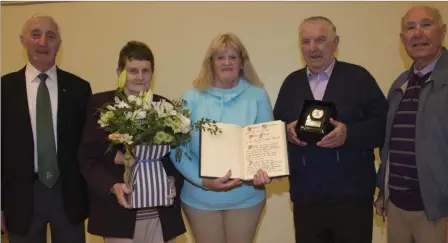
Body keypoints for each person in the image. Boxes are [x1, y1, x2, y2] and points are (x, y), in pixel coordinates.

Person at [273, 16, 388, 243]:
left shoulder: (359, 78)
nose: (313, 48)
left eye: (320, 40)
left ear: (336, 43)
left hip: (352, 199)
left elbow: (383, 126)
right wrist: (285, 132)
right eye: (306, 41)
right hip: (306, 198)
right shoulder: (291, 84)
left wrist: (349, 133)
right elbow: (274, 132)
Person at [374, 5, 448, 243]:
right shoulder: (399, 85)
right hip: (398, 210)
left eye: (426, 25)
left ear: (443, 32)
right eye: (410, 28)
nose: (417, 33)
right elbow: (391, 145)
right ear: (402, 39)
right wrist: (383, 190)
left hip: (443, 214)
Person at [169, 33, 273, 243]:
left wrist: (265, 169)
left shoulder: (258, 96)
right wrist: (203, 181)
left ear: (242, 62)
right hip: (199, 198)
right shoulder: (189, 99)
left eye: (233, 57)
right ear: (210, 63)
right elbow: (177, 149)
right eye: (220, 57)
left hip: (247, 197)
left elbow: (266, 145)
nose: (227, 62)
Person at [78, 41, 186, 243]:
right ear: (120, 72)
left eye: (146, 71)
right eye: (133, 70)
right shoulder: (101, 105)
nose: (140, 76)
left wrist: (172, 180)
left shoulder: (165, 107)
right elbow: (87, 157)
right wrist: (112, 186)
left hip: (160, 212)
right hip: (118, 211)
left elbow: (177, 156)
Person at [1, 15, 92, 243]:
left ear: (59, 44)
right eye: (35, 35)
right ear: (23, 40)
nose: (43, 42)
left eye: (50, 36)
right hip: (20, 197)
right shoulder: (4, 89)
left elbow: (88, 147)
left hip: (68, 196)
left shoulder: (79, 89)